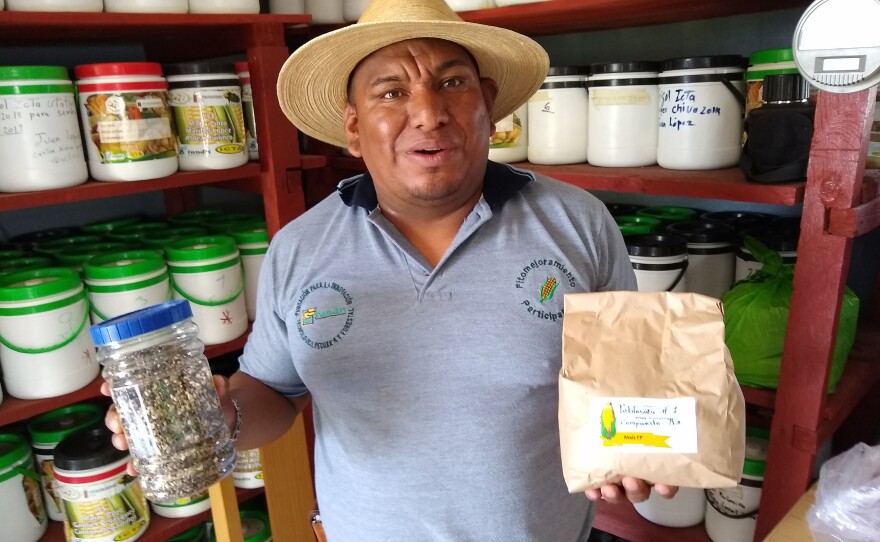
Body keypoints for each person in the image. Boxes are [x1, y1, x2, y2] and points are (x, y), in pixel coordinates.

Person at [104, 0, 677, 539]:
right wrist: (217, 413)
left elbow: (628, 376)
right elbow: (275, 395)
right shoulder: (301, 247)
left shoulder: (578, 223)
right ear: (353, 127)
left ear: (489, 103)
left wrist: (643, 446)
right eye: (391, 92)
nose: (428, 115)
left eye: (451, 83)